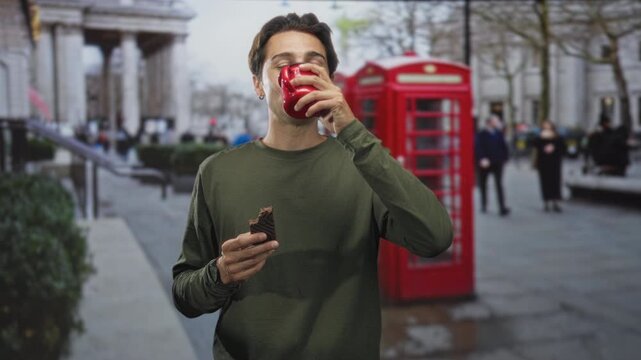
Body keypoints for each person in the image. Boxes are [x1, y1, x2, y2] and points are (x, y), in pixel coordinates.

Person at [171, 13, 453, 360]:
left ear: (329, 81)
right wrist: (221, 273)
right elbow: (184, 295)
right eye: (283, 64)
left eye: (313, 64)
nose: (299, 72)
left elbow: (435, 237)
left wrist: (352, 131)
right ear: (258, 85)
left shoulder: (362, 164)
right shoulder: (217, 172)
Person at [475, 115, 510, 216]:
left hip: (497, 162)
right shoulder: (481, 134)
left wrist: (505, 159)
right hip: (485, 163)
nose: (498, 122)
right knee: (483, 185)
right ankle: (484, 204)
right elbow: (478, 147)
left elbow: (504, 146)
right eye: (496, 121)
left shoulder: (499, 133)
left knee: (499, 184)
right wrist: (481, 159)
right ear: (490, 122)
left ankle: (502, 207)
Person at [532, 120, 565, 212]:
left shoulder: (557, 136)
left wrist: (553, 147)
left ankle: (556, 202)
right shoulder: (540, 136)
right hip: (543, 162)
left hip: (554, 162)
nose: (547, 126)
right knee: (544, 181)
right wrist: (541, 140)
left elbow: (562, 147)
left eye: (548, 125)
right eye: (545, 125)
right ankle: (546, 201)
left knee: (555, 181)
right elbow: (535, 144)